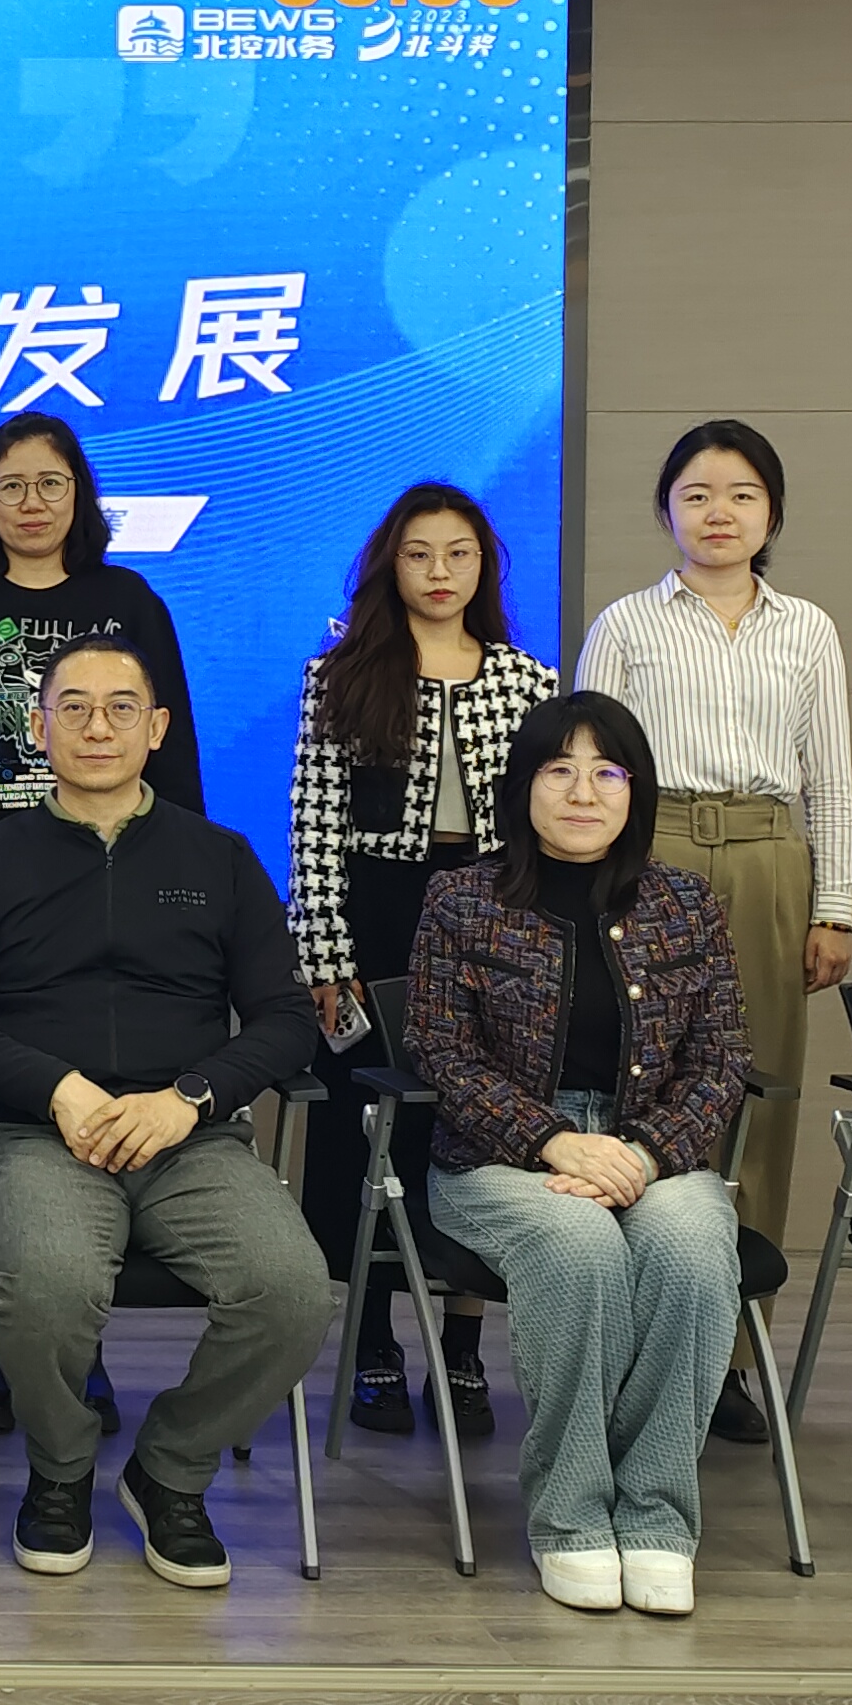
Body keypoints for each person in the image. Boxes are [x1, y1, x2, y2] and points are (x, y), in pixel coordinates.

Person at [0, 634, 334, 1591]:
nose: (97, 728)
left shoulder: (220, 857)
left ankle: (169, 1468)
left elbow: (286, 1020)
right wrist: (54, 1086)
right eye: (75, 708)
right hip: (41, 1135)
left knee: (294, 1291)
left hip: (191, 1140)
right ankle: (61, 1469)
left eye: (121, 708)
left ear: (158, 728)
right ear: (38, 726)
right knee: (48, 1286)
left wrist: (190, 1099)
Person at [0, 414, 199, 1432]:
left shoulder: (129, 603)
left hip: (112, 875)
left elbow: (175, 748)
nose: (30, 502)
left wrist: (187, 867)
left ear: (79, 497)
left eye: (50, 483)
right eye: (10, 484)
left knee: (101, 1091)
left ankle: (75, 1343)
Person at [408, 693, 753, 1618]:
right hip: (501, 1154)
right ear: (522, 788)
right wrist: (552, 1139)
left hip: (653, 1146)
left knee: (691, 1250)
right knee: (580, 1247)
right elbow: (440, 1050)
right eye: (558, 770)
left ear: (635, 792)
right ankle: (570, 1516)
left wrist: (644, 1152)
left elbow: (722, 1059)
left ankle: (656, 1514)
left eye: (607, 772)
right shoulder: (463, 898)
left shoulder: (685, 902)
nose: (582, 792)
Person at [577, 418, 852, 1448]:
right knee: (635, 1086)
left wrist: (834, 905)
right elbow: (586, 769)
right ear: (666, 512)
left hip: (771, 853)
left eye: (741, 494)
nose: (719, 513)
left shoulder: (808, 629)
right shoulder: (627, 624)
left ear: (772, 513)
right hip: (652, 854)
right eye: (696, 494)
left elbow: (831, 779)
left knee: (759, 1099)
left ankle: (732, 1355)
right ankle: (627, 1341)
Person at [287, 482, 558, 1444]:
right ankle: (371, 1342)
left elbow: (543, 833)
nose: (440, 572)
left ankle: (464, 1346)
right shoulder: (341, 675)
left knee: (476, 1126)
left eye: (459, 554)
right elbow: (313, 829)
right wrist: (326, 958)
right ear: (388, 565)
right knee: (369, 1131)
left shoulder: (529, 683)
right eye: (419, 554)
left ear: (485, 567)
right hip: (374, 911)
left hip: (491, 914)